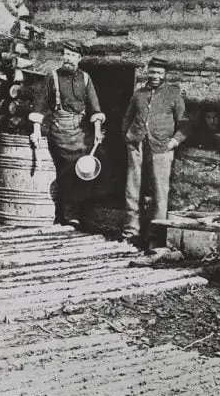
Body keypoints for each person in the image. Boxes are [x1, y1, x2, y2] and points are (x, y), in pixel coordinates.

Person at [28, 40, 105, 228]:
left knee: (86, 171)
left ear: (79, 58)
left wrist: (96, 131)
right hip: (59, 130)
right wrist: (36, 131)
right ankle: (67, 215)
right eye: (66, 54)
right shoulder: (52, 77)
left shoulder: (85, 79)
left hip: (81, 131)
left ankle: (77, 213)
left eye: (72, 55)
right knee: (68, 170)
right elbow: (40, 105)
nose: (68, 58)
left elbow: (95, 107)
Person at [121, 57, 191, 246]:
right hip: (137, 145)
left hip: (161, 148)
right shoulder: (139, 94)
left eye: (159, 73)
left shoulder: (173, 94)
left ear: (165, 75)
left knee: (160, 192)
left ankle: (156, 237)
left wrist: (174, 142)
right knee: (132, 189)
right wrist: (129, 137)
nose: (155, 76)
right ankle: (130, 232)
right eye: (152, 72)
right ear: (147, 72)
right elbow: (127, 118)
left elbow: (185, 124)